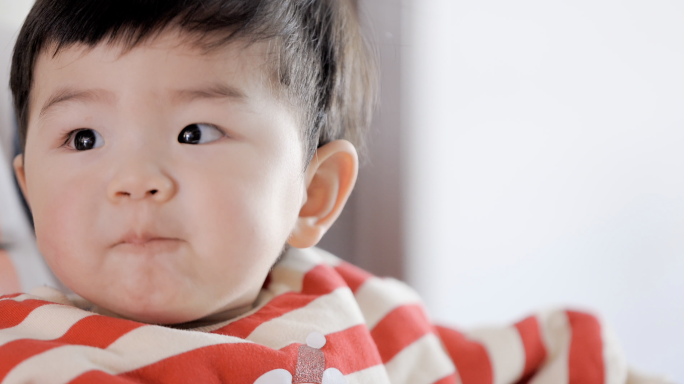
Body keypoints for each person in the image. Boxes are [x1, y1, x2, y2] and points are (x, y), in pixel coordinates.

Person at [0, 0, 669, 383]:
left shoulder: (357, 308)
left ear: (313, 194)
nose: (134, 179)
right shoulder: (29, 344)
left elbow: (539, 363)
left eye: (195, 132)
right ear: (27, 186)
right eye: (84, 139)